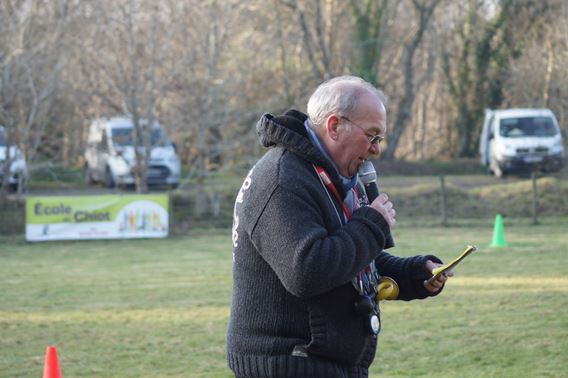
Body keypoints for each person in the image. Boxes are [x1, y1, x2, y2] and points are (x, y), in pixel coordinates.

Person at [227, 75, 449, 378]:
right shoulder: (283, 179)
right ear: (334, 126)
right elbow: (307, 270)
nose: (376, 150)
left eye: (379, 139)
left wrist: (414, 274)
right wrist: (371, 225)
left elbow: (352, 260)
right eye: (372, 136)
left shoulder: (335, 175)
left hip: (325, 365)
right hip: (289, 366)